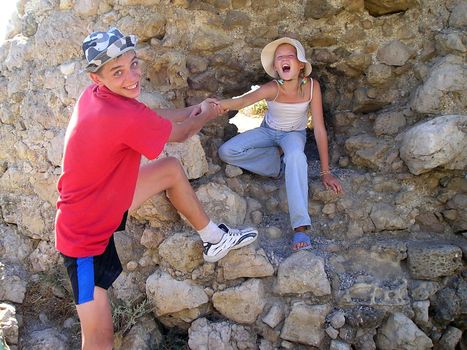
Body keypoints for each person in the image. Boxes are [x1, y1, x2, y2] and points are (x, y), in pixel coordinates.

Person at [55, 28, 257, 350]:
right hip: (82, 237)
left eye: (134, 64)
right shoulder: (116, 113)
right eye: (118, 72)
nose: (132, 76)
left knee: (170, 170)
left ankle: (214, 239)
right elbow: (181, 134)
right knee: (98, 340)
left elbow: (147, 117)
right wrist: (203, 115)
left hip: (105, 202)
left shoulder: (99, 96)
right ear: (97, 78)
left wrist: (191, 111)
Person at [217, 37, 343, 251]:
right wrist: (218, 104)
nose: (284, 60)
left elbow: (319, 129)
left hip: (294, 135)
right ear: (276, 67)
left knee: (296, 157)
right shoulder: (272, 87)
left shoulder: (312, 87)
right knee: (227, 151)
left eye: (290, 56)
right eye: (279, 58)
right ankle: (276, 166)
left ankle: (300, 229)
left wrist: (325, 172)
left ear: (300, 64)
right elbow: (242, 101)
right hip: (268, 131)